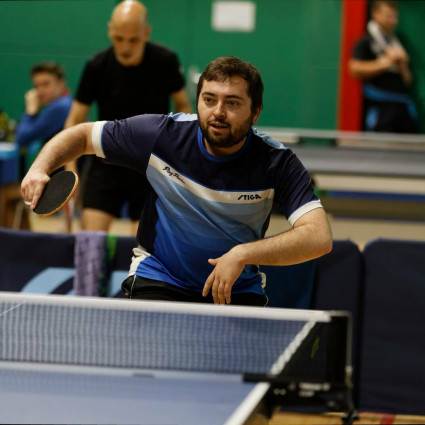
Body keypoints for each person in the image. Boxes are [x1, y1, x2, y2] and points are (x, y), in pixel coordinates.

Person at [22, 56, 333, 306]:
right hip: (160, 279)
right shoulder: (161, 136)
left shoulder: (276, 162)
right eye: (209, 99)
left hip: (235, 290)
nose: (218, 112)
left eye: (233, 103)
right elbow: (82, 135)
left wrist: (244, 253)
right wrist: (40, 168)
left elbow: (318, 237)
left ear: (255, 113)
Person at [64, 0, 192, 233]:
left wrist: (182, 154)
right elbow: (74, 120)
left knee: (143, 244)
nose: (125, 47)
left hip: (150, 163)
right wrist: (70, 171)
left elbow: (183, 106)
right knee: (90, 240)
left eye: (133, 40)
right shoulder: (96, 66)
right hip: (106, 158)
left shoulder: (165, 61)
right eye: (118, 39)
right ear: (110, 30)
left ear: (146, 33)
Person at [349, 0, 418, 133]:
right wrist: (385, 62)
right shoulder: (365, 42)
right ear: (375, 14)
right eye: (388, 16)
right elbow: (354, 69)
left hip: (403, 108)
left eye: (394, 16)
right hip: (381, 110)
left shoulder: (399, 43)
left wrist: (402, 64)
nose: (392, 20)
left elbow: (408, 80)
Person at [15, 62, 72, 148]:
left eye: (46, 84)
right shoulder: (66, 102)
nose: (40, 91)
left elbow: (22, 138)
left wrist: (30, 111)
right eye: (36, 86)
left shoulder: (60, 107)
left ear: (61, 83)